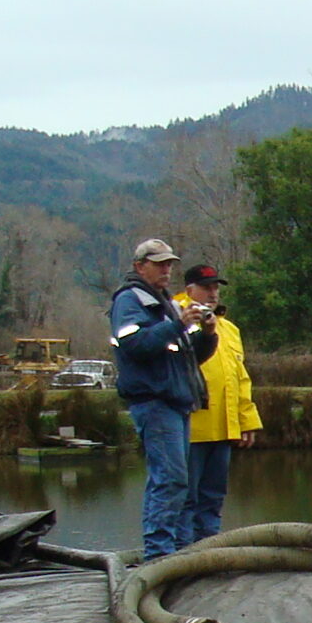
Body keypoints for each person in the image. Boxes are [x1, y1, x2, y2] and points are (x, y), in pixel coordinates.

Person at [108, 238, 217, 564]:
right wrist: (178, 325)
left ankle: (179, 554)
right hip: (154, 402)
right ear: (140, 266)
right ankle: (159, 558)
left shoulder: (165, 302)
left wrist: (206, 334)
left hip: (176, 402)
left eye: (169, 264)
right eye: (159, 264)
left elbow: (188, 357)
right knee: (168, 481)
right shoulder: (130, 301)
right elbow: (135, 346)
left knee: (178, 484)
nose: (167, 270)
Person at [171, 264, 260, 550]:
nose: (212, 294)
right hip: (190, 426)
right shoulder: (174, 317)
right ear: (189, 290)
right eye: (206, 287)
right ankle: (183, 556)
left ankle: (210, 552)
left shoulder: (229, 329)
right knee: (185, 498)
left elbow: (240, 378)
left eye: (215, 288)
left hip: (223, 427)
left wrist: (246, 420)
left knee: (213, 497)